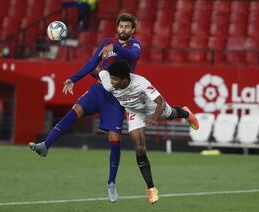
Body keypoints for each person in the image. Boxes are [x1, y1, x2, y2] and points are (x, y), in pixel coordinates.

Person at [29, 13, 140, 202]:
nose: (124, 30)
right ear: (117, 27)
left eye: (127, 27)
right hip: (98, 91)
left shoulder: (134, 45)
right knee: (75, 110)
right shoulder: (106, 42)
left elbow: (133, 56)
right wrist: (73, 78)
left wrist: (114, 49)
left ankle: (111, 183)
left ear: (132, 30)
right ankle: (45, 145)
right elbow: (91, 63)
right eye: (121, 26)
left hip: (117, 97)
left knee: (115, 139)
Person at [98, 59, 199, 204]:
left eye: (115, 79)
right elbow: (99, 68)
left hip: (152, 108)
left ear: (125, 78)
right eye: (111, 78)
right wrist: (103, 58)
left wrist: (154, 116)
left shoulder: (140, 82)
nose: (111, 82)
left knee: (172, 114)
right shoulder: (108, 82)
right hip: (134, 112)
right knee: (139, 148)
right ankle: (151, 189)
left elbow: (160, 101)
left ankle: (187, 114)